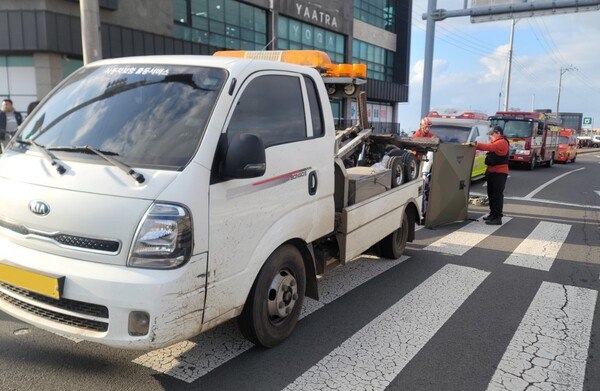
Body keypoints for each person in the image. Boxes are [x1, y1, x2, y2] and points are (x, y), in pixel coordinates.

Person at [475, 125, 509, 225]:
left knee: (497, 195)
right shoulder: (496, 141)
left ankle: (498, 217)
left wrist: (475, 144)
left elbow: (489, 147)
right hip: (492, 172)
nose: (491, 137)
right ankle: (492, 214)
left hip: (499, 173)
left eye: (492, 134)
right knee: (491, 194)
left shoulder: (502, 142)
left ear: (498, 133)